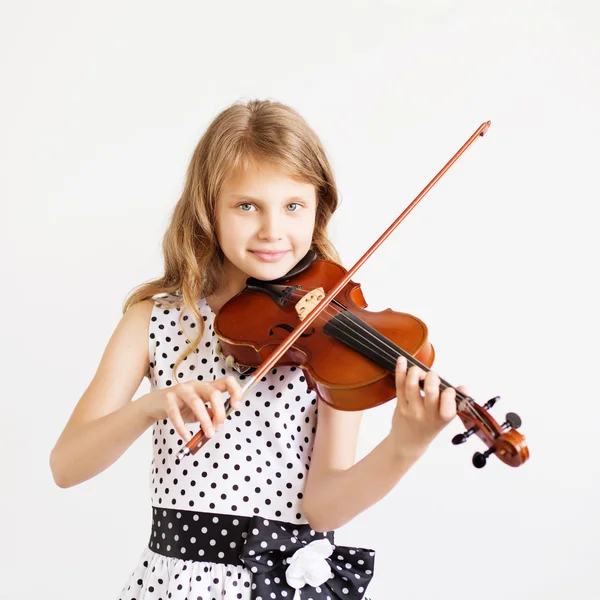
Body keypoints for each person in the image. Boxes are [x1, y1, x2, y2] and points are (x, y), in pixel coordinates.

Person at [50, 99, 465, 600]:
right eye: (247, 206)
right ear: (209, 208)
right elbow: (66, 466)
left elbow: (325, 508)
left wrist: (406, 443)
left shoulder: (333, 333)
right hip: (179, 586)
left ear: (318, 208)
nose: (272, 230)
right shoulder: (153, 321)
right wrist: (151, 406)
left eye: (293, 206)